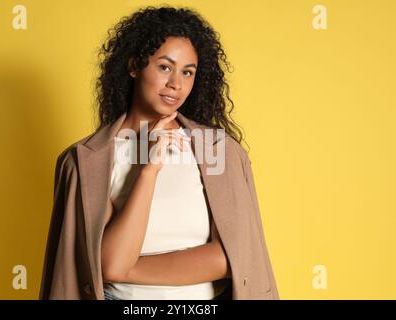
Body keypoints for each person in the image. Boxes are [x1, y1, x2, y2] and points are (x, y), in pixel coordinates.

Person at [39, 5, 279, 300]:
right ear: (134, 66)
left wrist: (128, 269)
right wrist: (148, 169)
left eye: (187, 72)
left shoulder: (219, 152)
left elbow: (236, 256)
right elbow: (110, 262)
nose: (175, 84)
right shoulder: (85, 160)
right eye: (164, 67)